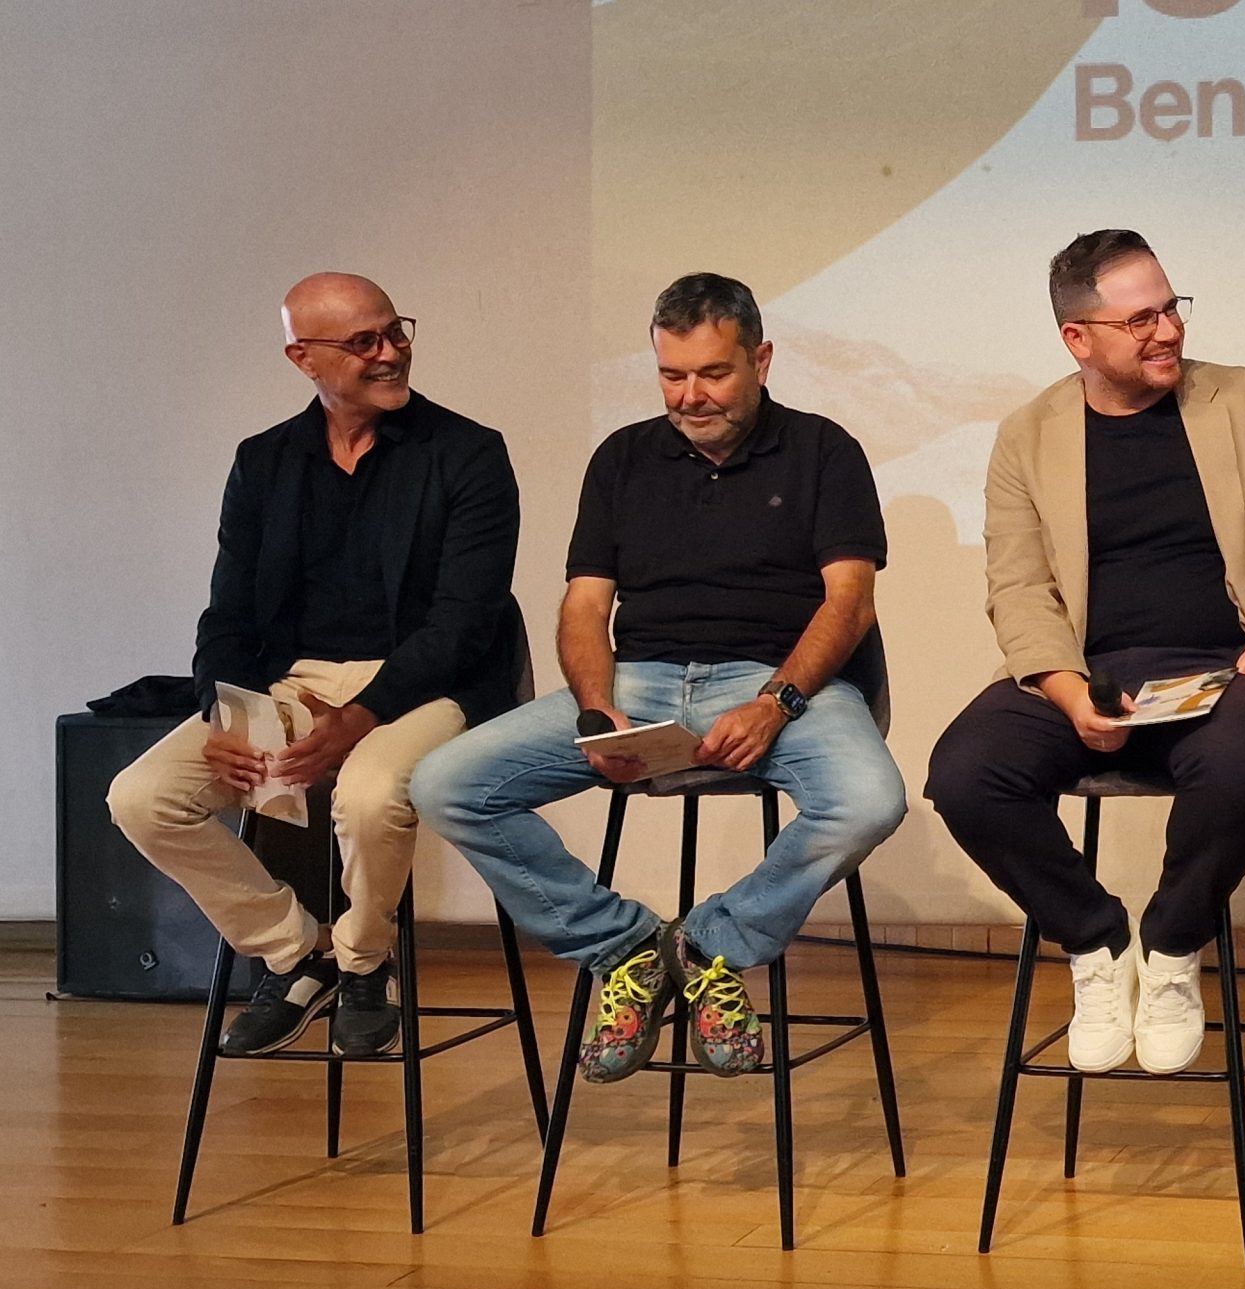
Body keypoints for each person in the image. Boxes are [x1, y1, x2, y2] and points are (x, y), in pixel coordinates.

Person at [413, 274, 905, 1083]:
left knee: (871, 801)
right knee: (444, 784)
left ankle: (712, 944)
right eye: (672, 375)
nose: (690, 395)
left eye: (712, 373)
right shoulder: (623, 457)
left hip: (778, 683)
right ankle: (627, 947)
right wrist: (596, 712)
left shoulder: (824, 450)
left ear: (760, 361)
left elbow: (849, 602)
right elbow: (584, 607)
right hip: (639, 682)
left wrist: (775, 703)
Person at [926, 230, 1245, 1074]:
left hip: (1228, 665)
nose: (1168, 331)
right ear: (1078, 338)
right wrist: (1068, 692)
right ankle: (1095, 944)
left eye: (1172, 308)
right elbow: (1018, 587)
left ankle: (1170, 949)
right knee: (965, 771)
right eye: (1140, 320)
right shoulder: (1028, 434)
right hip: (1089, 671)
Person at [108, 275, 521, 1059]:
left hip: (426, 683)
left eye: (395, 330)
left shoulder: (467, 453)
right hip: (295, 683)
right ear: (304, 359)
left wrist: (360, 717)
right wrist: (229, 714)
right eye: (364, 341)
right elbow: (227, 614)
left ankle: (366, 963)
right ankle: (298, 953)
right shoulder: (264, 461)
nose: (391, 352)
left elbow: (463, 625)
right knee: (143, 798)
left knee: (366, 798)